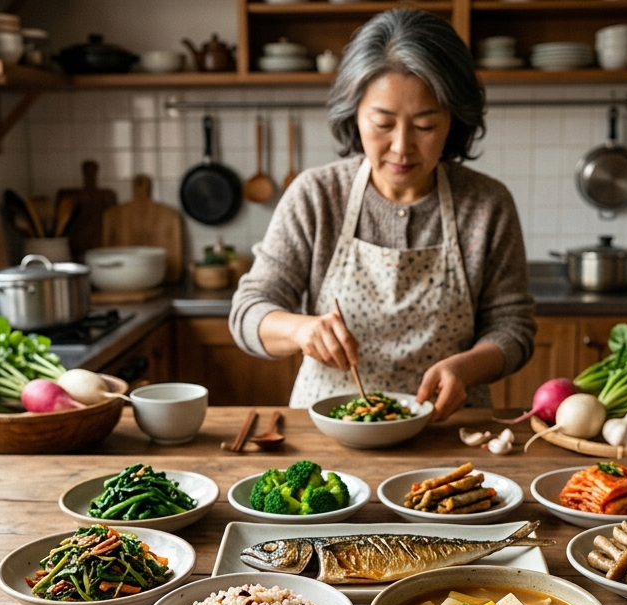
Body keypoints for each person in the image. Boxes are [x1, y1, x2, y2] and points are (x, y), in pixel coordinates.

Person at [229, 9, 536, 421]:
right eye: (383, 123)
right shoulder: (317, 195)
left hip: (448, 431)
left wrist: (466, 367)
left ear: (453, 122)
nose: (402, 147)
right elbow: (249, 311)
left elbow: (513, 328)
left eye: (425, 126)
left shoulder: (486, 204)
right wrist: (301, 330)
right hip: (328, 433)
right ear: (354, 114)